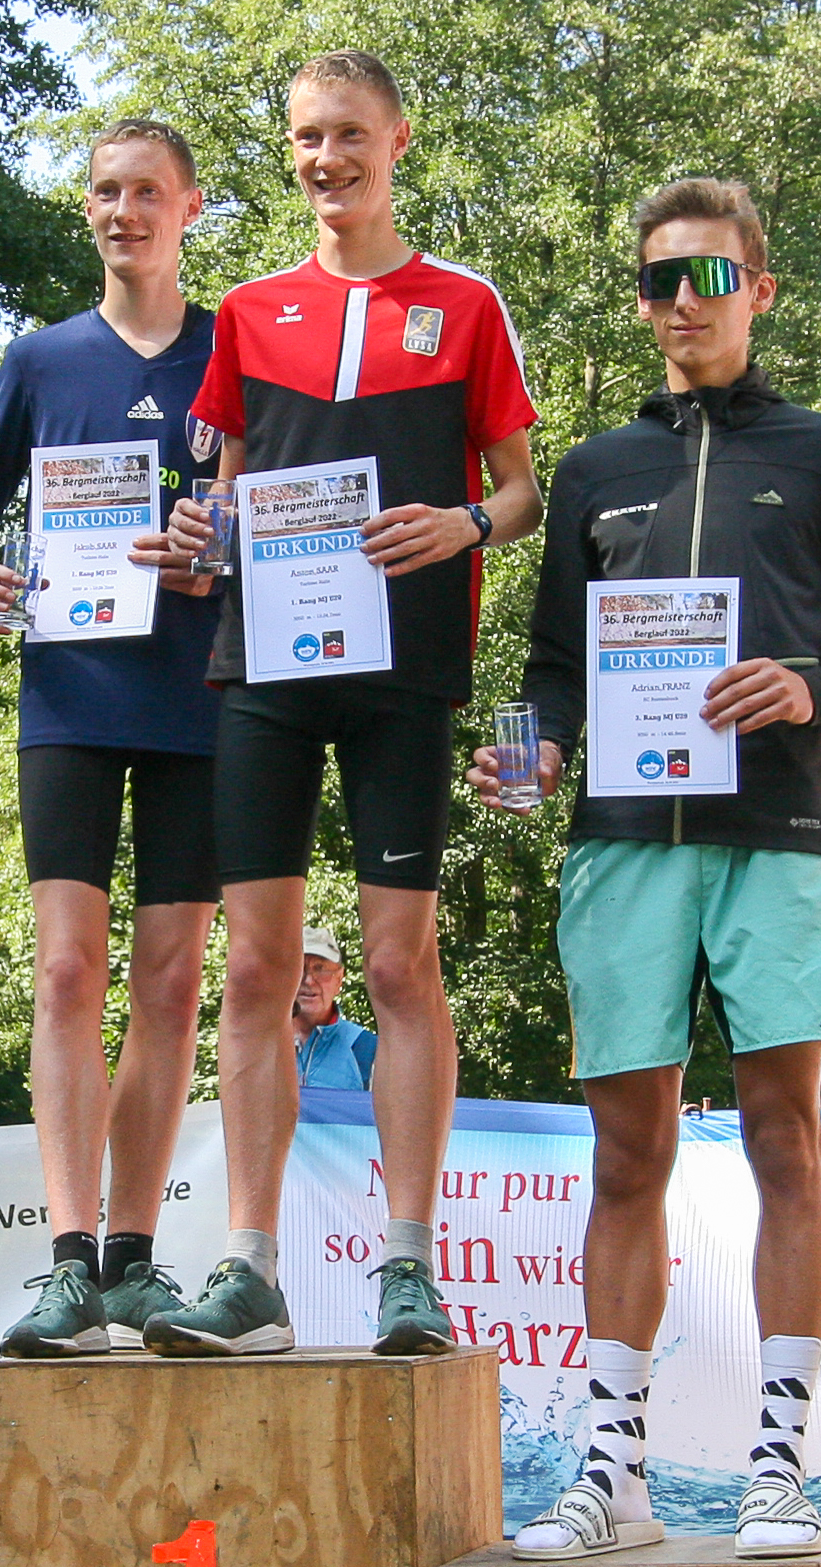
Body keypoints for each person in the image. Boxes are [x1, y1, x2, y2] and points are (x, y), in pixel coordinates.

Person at [471, 177, 821, 1561]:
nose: (684, 302)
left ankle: (777, 1471)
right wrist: (536, 753)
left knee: (786, 1136)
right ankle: (612, 1476)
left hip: (775, 835)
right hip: (622, 843)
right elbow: (555, 668)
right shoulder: (596, 470)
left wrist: (808, 689)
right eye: (660, 280)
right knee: (628, 1152)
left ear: (759, 292)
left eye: (710, 277)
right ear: (640, 302)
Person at [152, 51, 539, 1357]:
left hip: (403, 674)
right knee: (257, 969)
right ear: (290, 150)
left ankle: (408, 1269)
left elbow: (522, 494)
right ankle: (249, 1271)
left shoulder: (464, 305)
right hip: (264, 669)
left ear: (398, 140)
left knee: (394, 964)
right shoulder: (248, 312)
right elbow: (223, 496)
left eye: (350, 135)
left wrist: (464, 522)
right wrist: (192, 540)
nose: (328, 159)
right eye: (308, 137)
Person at [0, 120, 225, 1358]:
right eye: (106, 191)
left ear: (190, 208)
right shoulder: (41, 358)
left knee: (169, 980)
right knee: (65, 971)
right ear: (88, 207)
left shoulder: (233, 349)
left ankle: (134, 1260)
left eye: (147, 192)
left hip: (200, 698)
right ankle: (65, 1261)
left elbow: (272, 516)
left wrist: (220, 548)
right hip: (70, 693)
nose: (124, 211)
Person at [290, 927, 378, 1091]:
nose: (308, 980)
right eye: (299, 968)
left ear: (339, 979)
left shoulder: (365, 1048)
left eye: (320, 969)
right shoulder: (262, 1043)